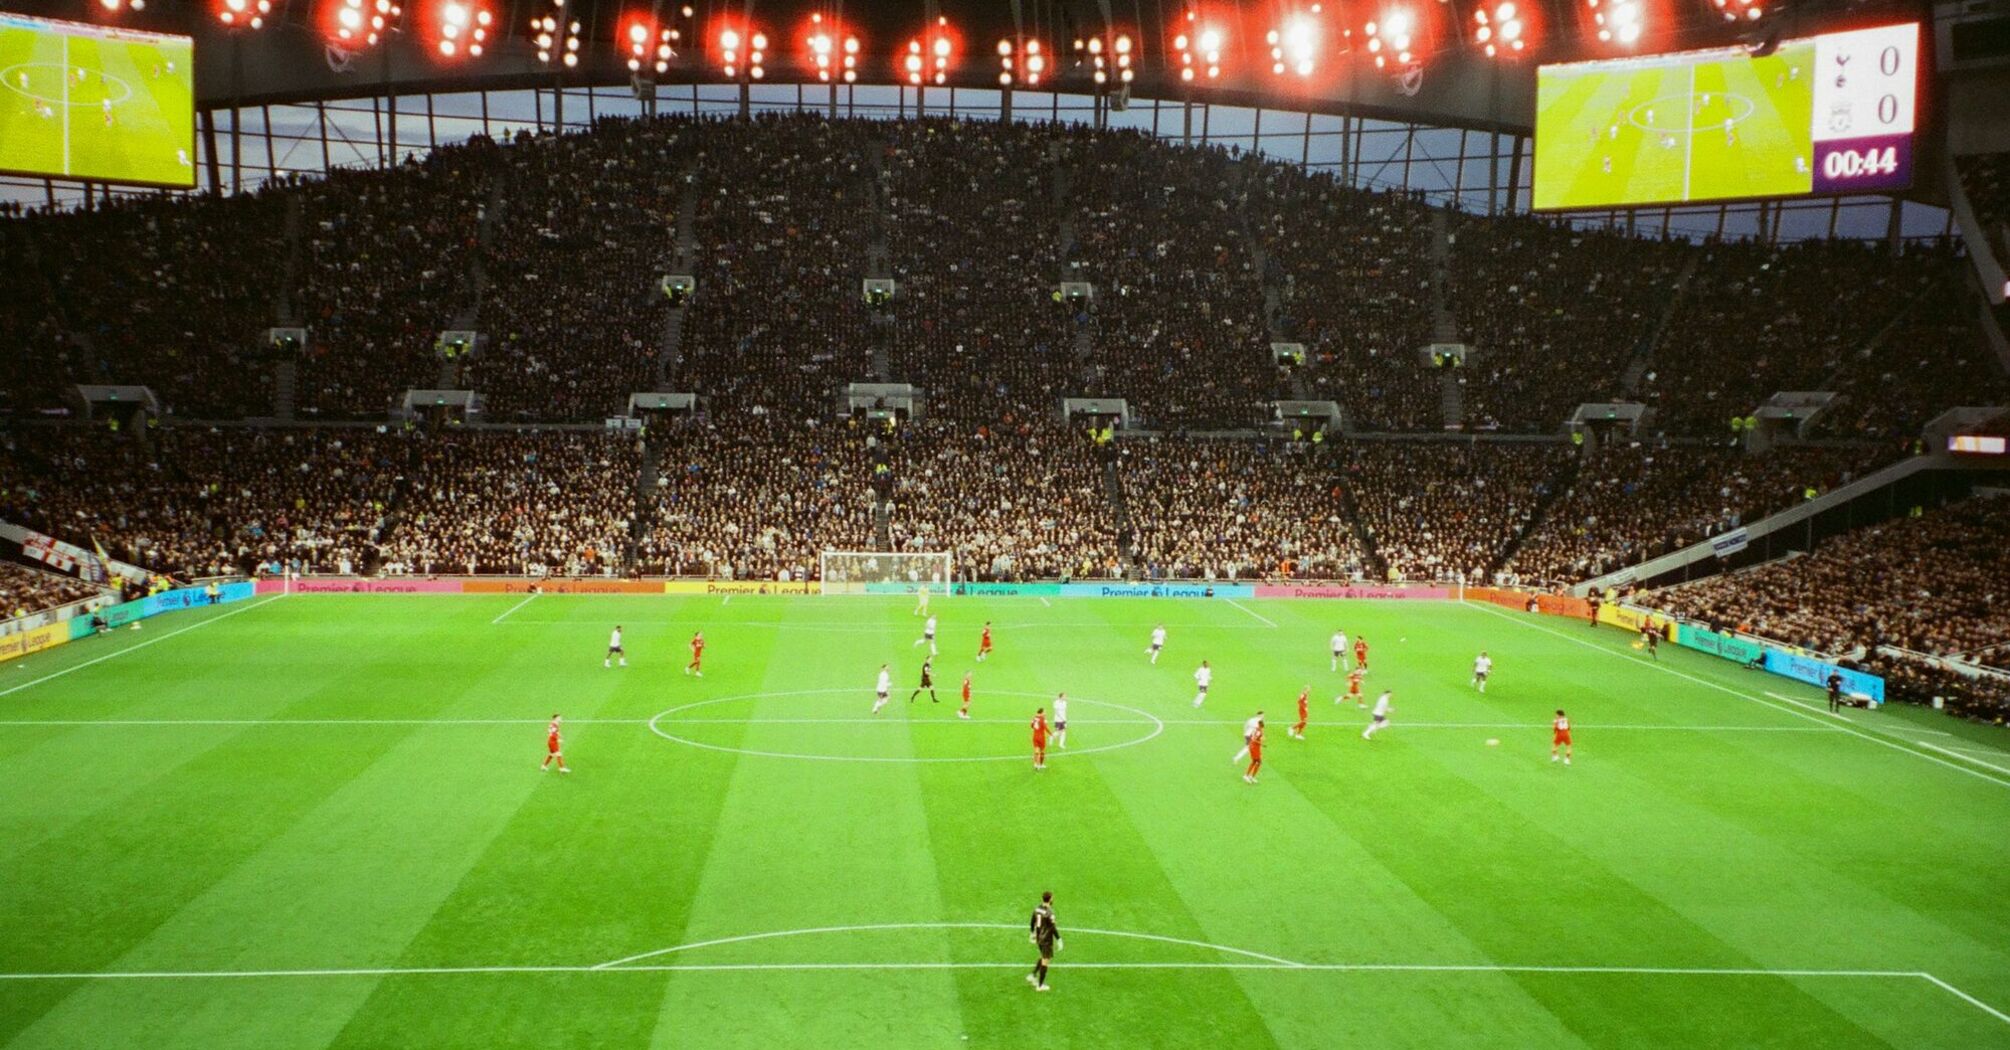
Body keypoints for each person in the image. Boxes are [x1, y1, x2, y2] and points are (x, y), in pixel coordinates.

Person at [1028, 891, 1061, 991]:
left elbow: (1032, 921)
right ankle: (1040, 985)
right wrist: (1059, 939)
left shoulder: (1037, 909)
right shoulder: (1049, 913)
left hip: (1039, 938)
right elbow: (1052, 927)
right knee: (1045, 961)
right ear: (1050, 899)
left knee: (1043, 957)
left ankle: (1033, 975)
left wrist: (1032, 933)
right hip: (1046, 940)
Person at [1243, 717, 1265, 784]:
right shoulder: (1259, 731)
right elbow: (1254, 739)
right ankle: (1248, 776)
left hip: (1253, 747)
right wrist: (1261, 744)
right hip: (1254, 747)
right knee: (1258, 762)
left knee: (1255, 761)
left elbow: (1252, 738)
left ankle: (1249, 776)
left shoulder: (1256, 730)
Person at [1031, 707, 1049, 771]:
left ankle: (1036, 764)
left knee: (1036, 752)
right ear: (1041, 713)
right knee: (1042, 752)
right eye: (1044, 712)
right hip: (1041, 737)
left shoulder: (1034, 718)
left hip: (1035, 736)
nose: (1045, 713)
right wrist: (1051, 734)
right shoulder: (1042, 719)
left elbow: (1031, 725)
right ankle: (1040, 765)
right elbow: (1045, 728)